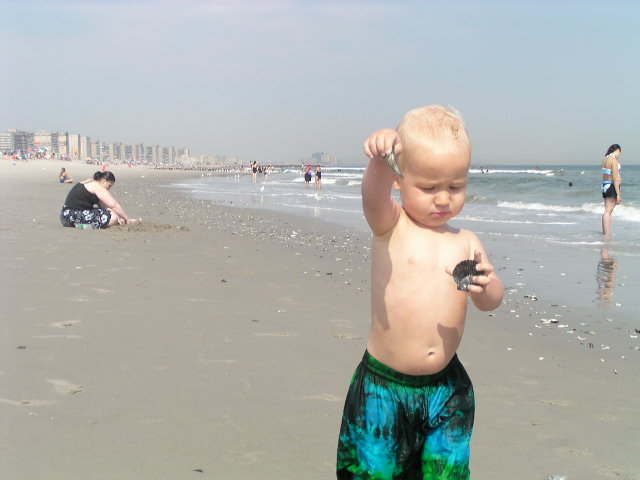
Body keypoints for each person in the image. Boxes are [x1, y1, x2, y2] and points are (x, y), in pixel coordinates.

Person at [336, 106, 504, 479]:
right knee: (372, 472)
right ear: (399, 179)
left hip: (446, 389)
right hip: (384, 388)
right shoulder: (390, 225)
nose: (443, 199)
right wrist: (381, 159)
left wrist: (485, 288)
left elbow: (492, 300)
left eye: (455, 186)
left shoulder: (466, 241)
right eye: (429, 188)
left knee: (446, 472)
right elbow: (372, 196)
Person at [60, 171, 135, 229]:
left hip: (66, 215)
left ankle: (81, 224)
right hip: (71, 216)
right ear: (104, 181)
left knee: (112, 216)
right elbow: (114, 205)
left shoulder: (90, 182)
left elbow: (104, 206)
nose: (109, 189)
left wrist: (118, 217)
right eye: (109, 186)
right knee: (113, 219)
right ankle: (82, 226)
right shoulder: (96, 185)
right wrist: (127, 219)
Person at [601, 144, 622, 237]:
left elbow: (607, 174)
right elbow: (615, 178)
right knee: (608, 211)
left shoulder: (605, 159)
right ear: (618, 150)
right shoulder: (613, 160)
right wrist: (619, 194)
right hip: (611, 186)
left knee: (606, 211)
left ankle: (605, 232)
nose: (619, 155)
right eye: (620, 153)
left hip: (604, 185)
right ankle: (607, 234)